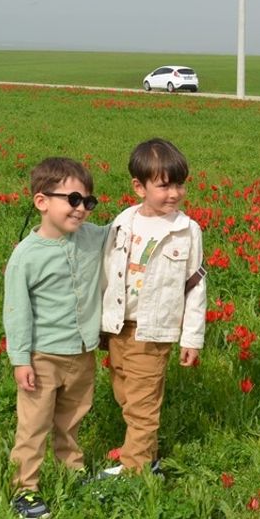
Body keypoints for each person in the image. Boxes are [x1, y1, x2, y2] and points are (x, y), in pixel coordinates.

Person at [3, 157, 107, 519]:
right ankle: (24, 488)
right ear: (41, 201)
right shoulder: (26, 256)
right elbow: (16, 310)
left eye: (88, 201)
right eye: (73, 199)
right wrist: (20, 359)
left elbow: (123, 230)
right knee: (34, 425)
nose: (81, 209)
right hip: (43, 356)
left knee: (72, 418)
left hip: (83, 352)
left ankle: (71, 470)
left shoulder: (92, 237)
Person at [98, 138, 206, 477]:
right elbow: (105, 270)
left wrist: (192, 338)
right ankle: (149, 456)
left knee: (142, 401)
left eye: (179, 184)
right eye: (164, 186)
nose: (174, 193)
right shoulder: (123, 222)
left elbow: (195, 286)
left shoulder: (186, 231)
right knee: (125, 393)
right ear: (139, 187)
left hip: (153, 329)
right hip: (119, 325)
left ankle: (136, 469)